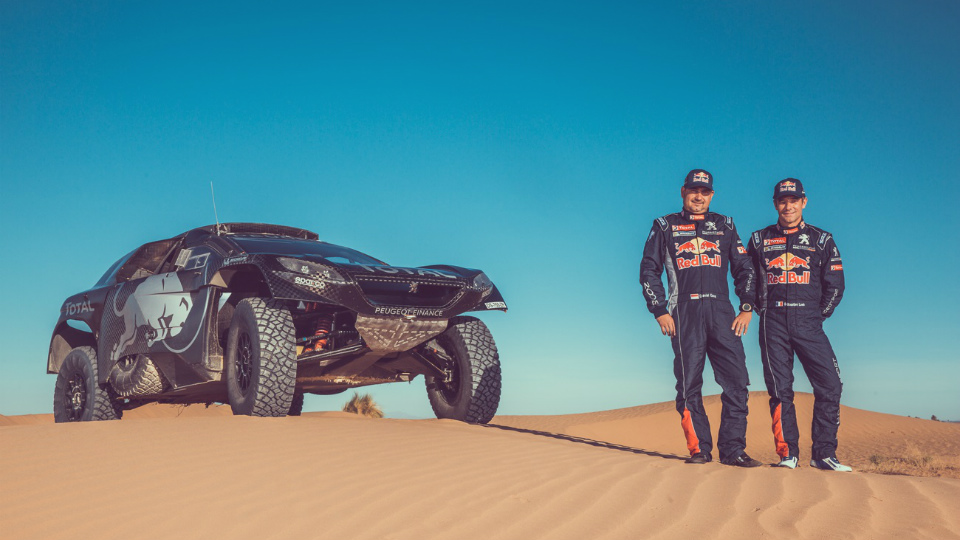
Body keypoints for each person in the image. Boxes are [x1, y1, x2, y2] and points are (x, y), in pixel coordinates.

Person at [640, 169, 761, 467]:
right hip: (684, 312)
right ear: (683, 191)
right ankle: (699, 450)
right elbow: (649, 270)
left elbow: (744, 267)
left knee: (737, 382)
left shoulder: (725, 224)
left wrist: (747, 306)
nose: (698, 196)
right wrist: (659, 310)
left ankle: (733, 450)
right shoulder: (664, 225)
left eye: (704, 192)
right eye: (693, 190)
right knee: (689, 384)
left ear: (712, 195)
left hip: (722, 311)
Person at [746, 178, 850, 472]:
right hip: (772, 323)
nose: (788, 206)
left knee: (831, 385)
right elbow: (747, 278)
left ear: (804, 202)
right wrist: (758, 307)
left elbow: (836, 285)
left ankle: (824, 454)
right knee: (780, 391)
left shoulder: (822, 239)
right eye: (782, 201)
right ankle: (787, 454)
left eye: (793, 200)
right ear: (775, 204)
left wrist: (818, 316)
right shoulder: (759, 239)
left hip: (809, 323)